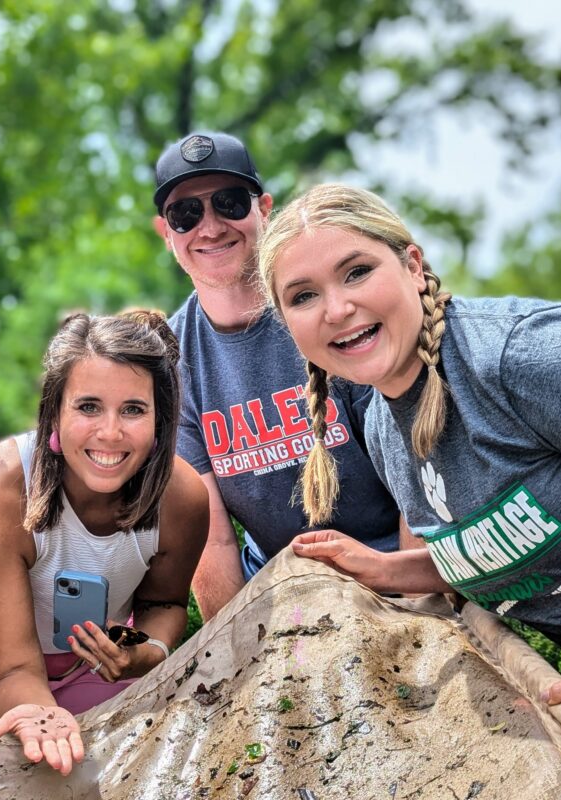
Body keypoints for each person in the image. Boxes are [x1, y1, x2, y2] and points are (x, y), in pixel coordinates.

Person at [256, 182, 561, 705]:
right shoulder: (386, 430)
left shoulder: (517, 357)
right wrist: (385, 569)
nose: (337, 309)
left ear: (412, 264)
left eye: (357, 271)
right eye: (303, 296)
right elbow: (490, 547)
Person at [0, 311, 209, 775]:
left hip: (89, 655)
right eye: (88, 407)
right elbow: (13, 668)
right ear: (55, 411)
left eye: (133, 409)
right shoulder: (1, 485)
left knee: (104, 774)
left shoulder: (183, 499)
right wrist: (41, 715)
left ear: (161, 419)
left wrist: (140, 652)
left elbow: (164, 604)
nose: (110, 433)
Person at [152, 132, 404, 620]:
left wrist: (417, 601)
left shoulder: (326, 312)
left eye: (228, 203)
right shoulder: (169, 362)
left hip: (394, 565)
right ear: (167, 234)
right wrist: (233, 662)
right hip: (281, 590)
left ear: (263, 208)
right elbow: (209, 535)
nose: (210, 227)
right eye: (187, 214)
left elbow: (416, 479)